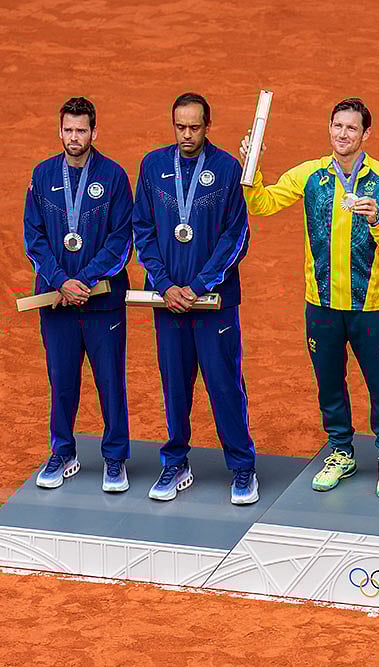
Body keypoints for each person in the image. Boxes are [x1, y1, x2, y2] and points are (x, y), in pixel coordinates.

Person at [240, 98, 379, 499]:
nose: (342, 134)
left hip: (370, 306)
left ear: (366, 134)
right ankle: (341, 452)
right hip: (321, 304)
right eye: (337, 126)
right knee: (329, 383)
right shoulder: (311, 174)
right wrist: (252, 168)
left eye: (351, 128)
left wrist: (374, 221)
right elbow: (262, 203)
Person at [132, 92, 258, 505]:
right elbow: (143, 229)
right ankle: (175, 463)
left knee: (223, 384)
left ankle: (242, 468)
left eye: (195, 127)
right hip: (167, 301)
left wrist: (201, 285)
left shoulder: (226, 169)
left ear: (208, 126)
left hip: (213, 303)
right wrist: (164, 283)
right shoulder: (152, 166)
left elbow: (236, 236)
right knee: (175, 384)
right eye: (180, 127)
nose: (187, 135)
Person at [24, 96, 134, 493]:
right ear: (60, 131)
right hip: (56, 301)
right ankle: (63, 452)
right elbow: (33, 238)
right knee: (62, 380)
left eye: (81, 130)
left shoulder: (115, 176)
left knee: (110, 381)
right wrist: (60, 281)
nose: (74, 137)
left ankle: (115, 458)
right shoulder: (42, 174)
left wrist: (83, 280)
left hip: (102, 301)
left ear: (94, 132)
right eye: (68, 130)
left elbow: (123, 240)